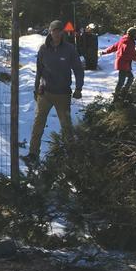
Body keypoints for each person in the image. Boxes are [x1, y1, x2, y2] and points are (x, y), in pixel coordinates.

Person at [26, 19, 84, 163]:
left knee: (66, 126)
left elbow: (78, 69)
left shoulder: (69, 49)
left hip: (63, 94)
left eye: (59, 31)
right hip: (45, 93)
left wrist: (79, 87)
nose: (56, 33)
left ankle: (70, 155)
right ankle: (33, 154)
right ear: (50, 32)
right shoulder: (43, 49)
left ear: (62, 32)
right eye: (54, 31)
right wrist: (36, 89)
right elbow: (39, 70)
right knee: (38, 124)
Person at [100, 26, 136, 98]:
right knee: (123, 80)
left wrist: (105, 52)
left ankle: (122, 92)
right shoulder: (129, 43)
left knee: (129, 78)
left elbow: (114, 47)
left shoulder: (123, 40)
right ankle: (119, 94)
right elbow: (132, 55)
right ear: (132, 34)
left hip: (123, 63)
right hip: (123, 64)